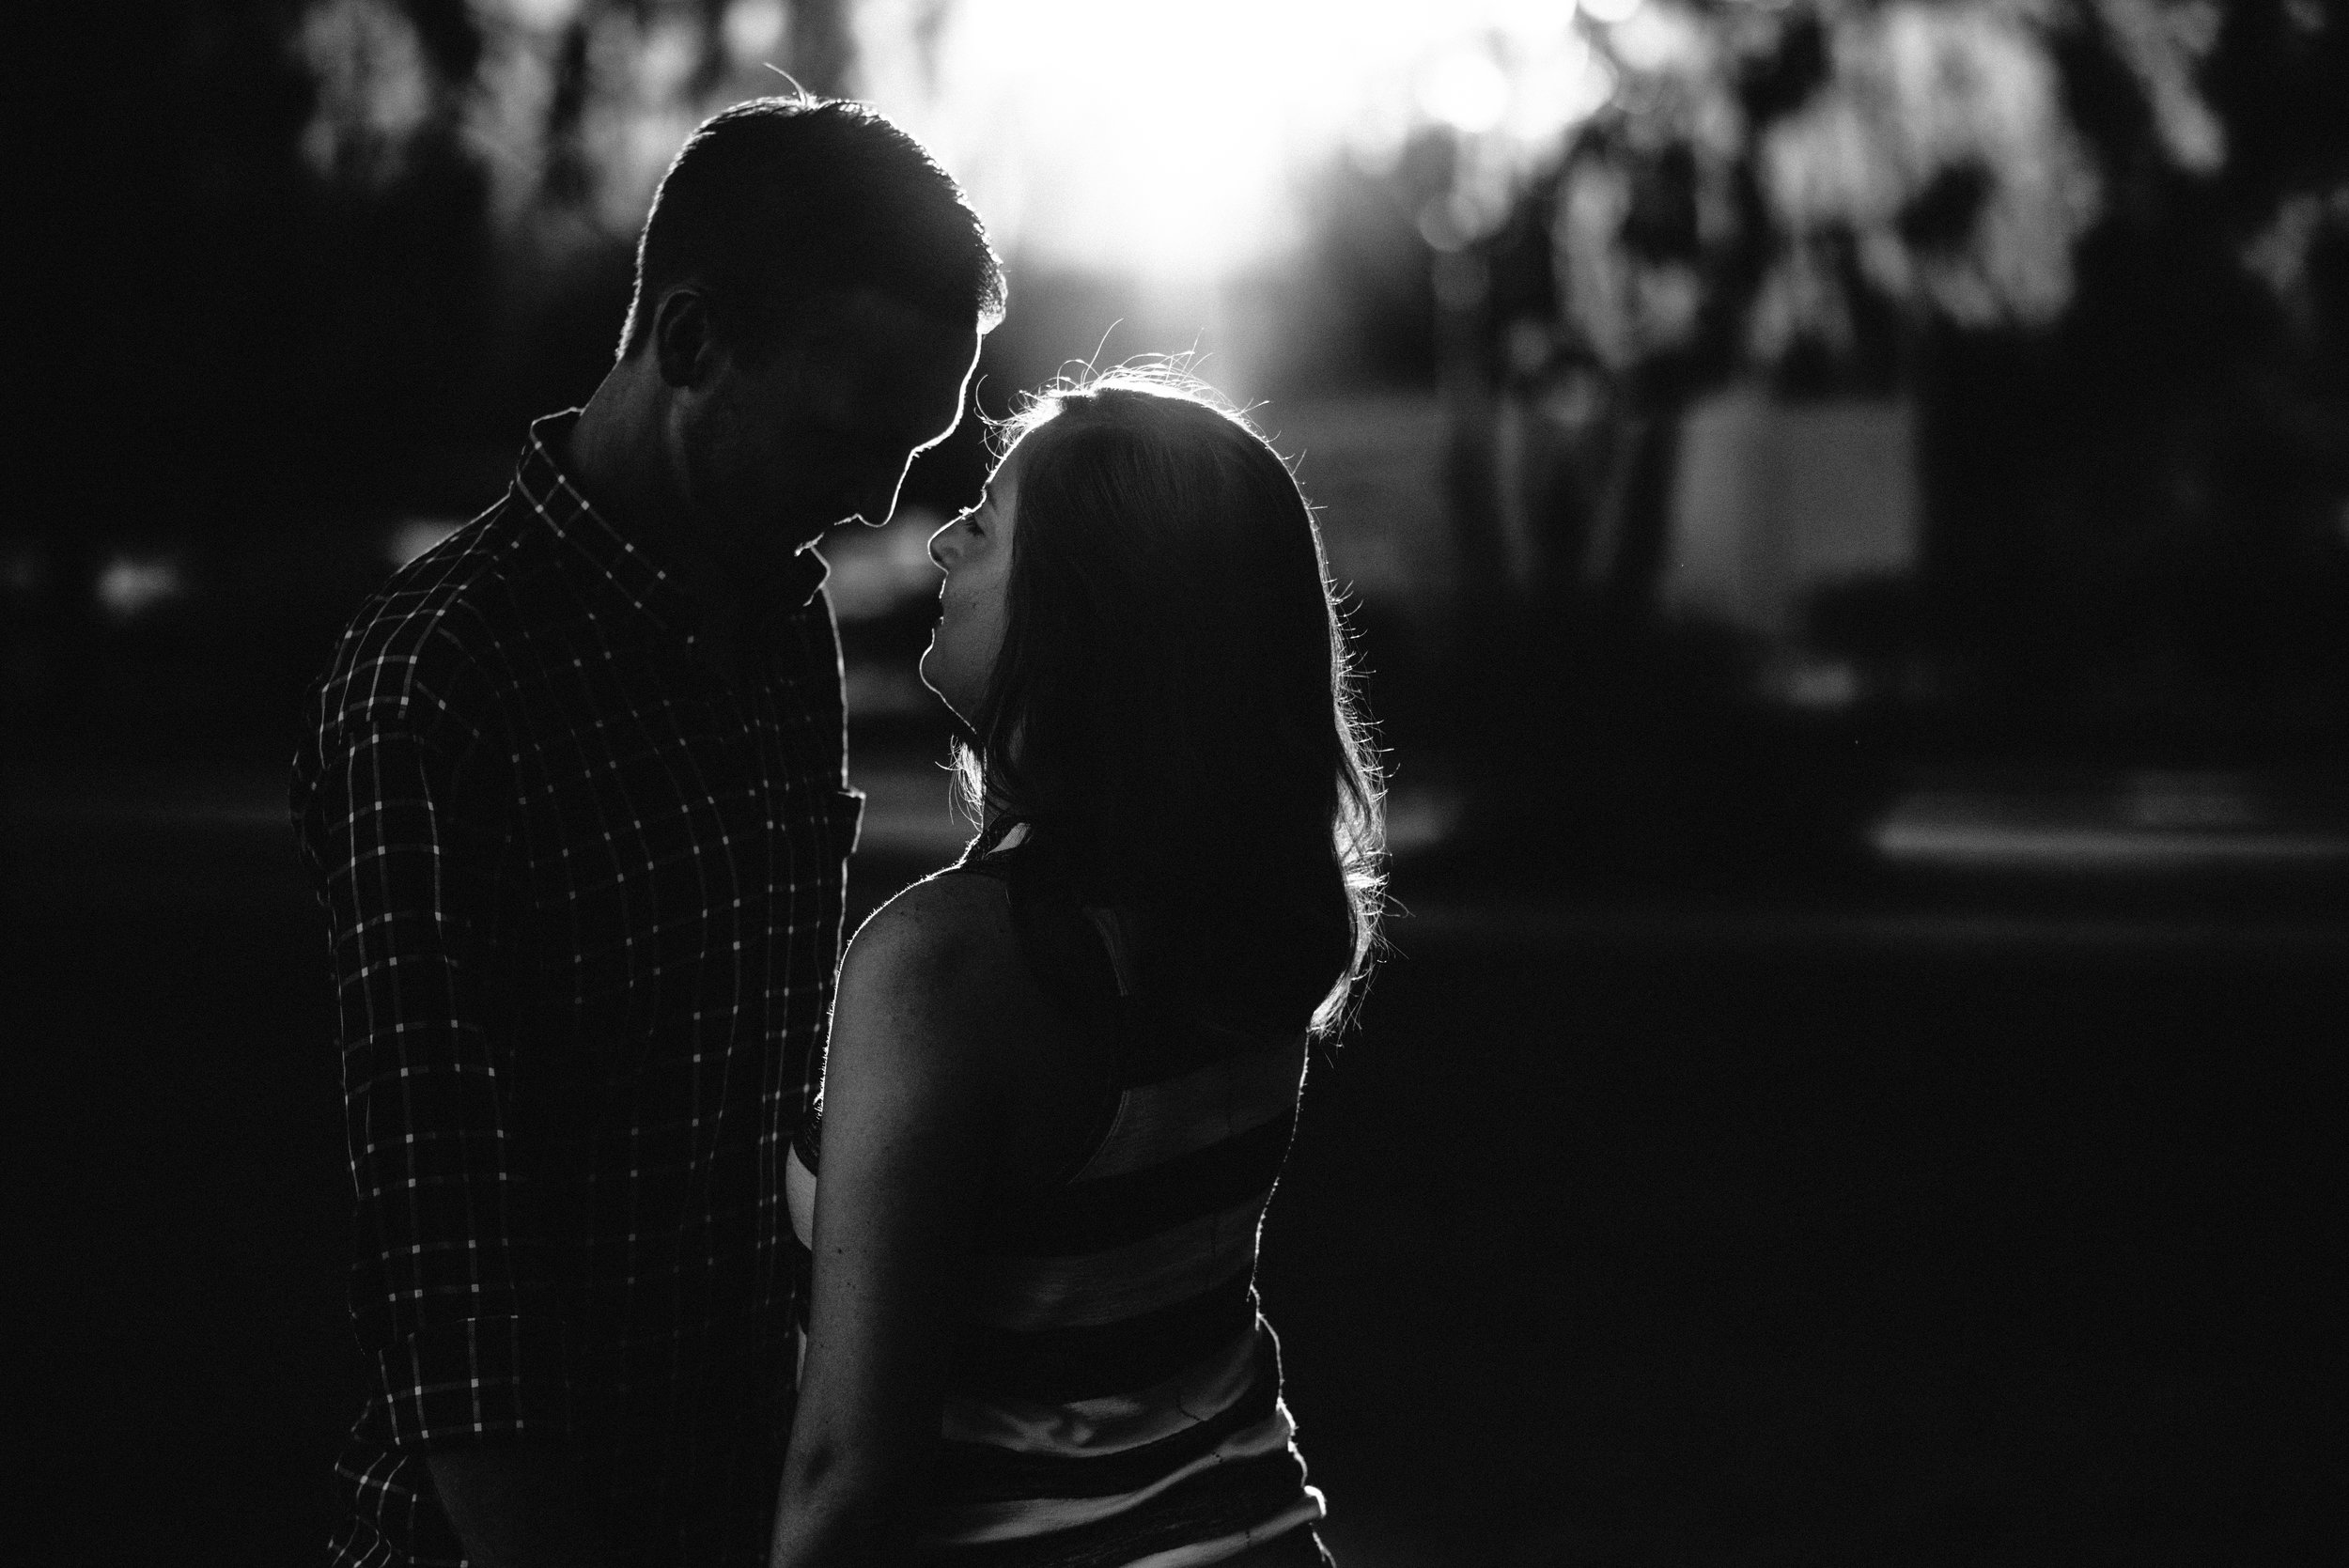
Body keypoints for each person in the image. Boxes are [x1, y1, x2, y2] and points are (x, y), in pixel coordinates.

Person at [291, 98, 1003, 1568]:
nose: (879, 499)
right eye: (850, 428)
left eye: (914, 445)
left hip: (744, 1500)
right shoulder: (442, 685)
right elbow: (453, 1273)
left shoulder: (781, 621)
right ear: (688, 343)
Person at [767, 371, 1385, 1568]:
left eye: (985, 523)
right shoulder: (1245, 908)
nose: (942, 540)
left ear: (1084, 600)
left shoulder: (946, 966)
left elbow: (850, 1472)